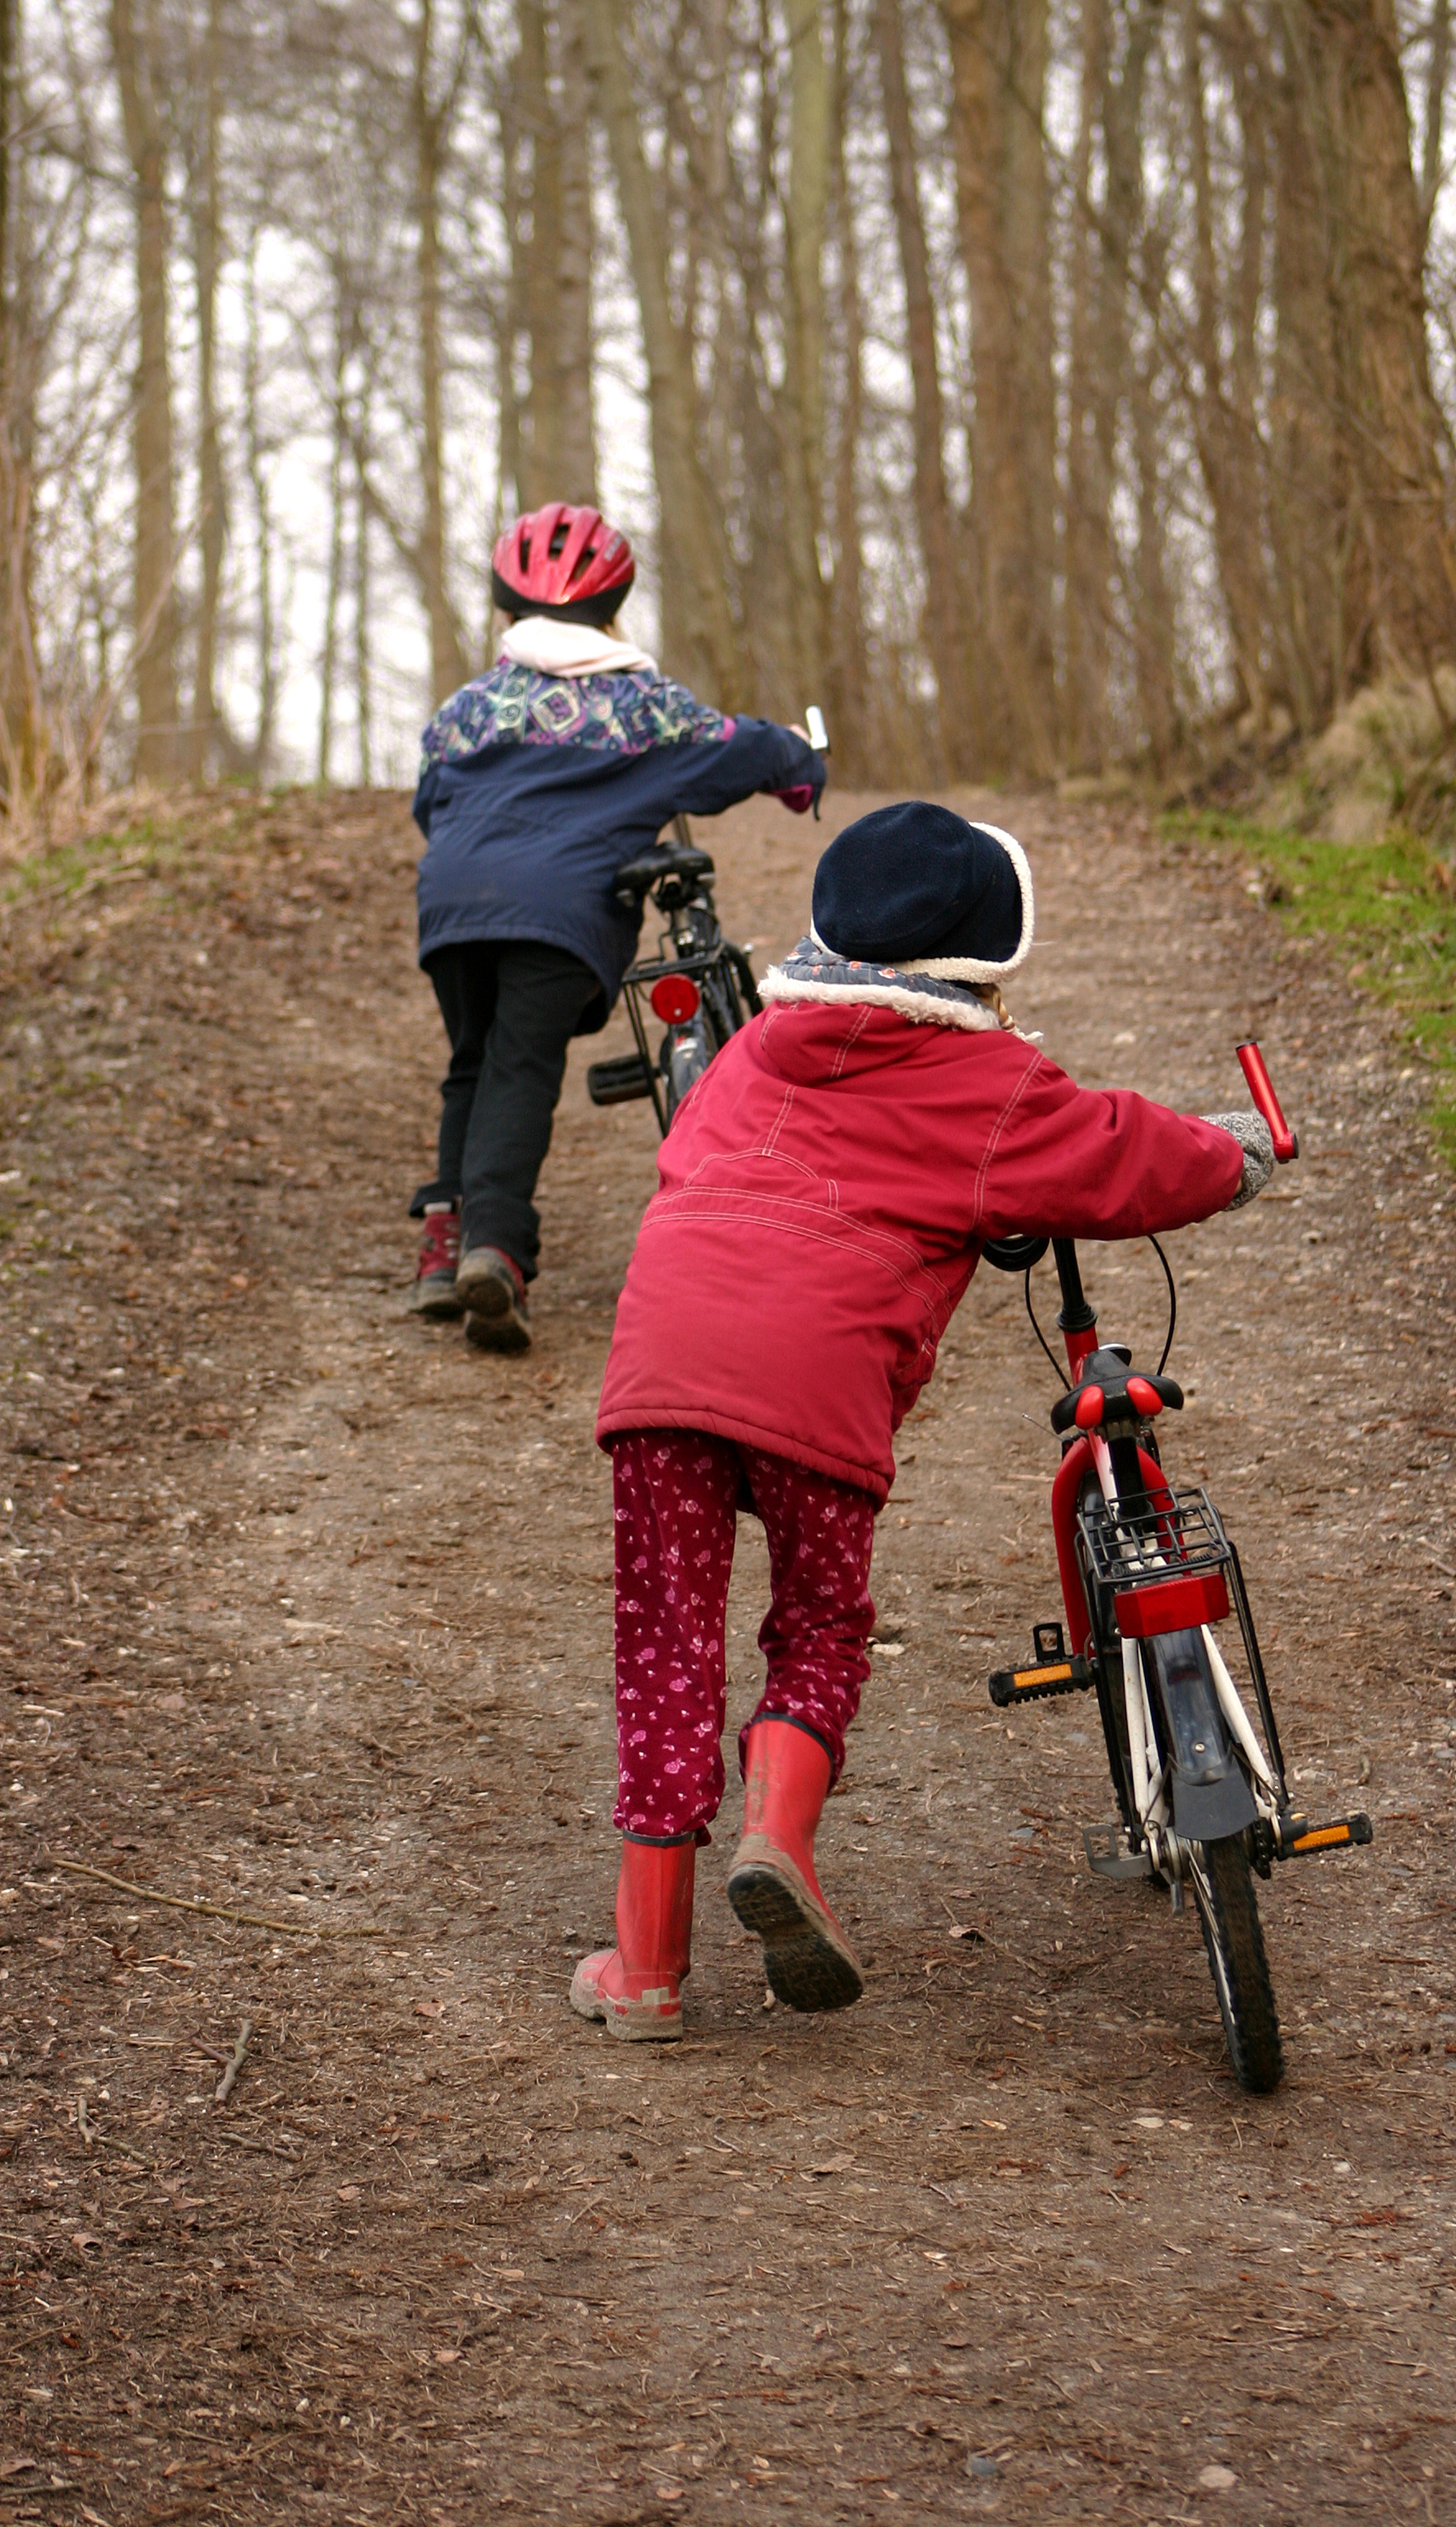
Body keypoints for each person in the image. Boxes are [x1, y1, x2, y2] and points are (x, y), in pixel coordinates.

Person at [569, 799, 1277, 2041]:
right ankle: (775, 1840)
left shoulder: (754, 1051)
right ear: (980, 961)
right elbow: (1119, 1152)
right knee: (822, 1626)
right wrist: (1240, 1156)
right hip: (815, 1385)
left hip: (663, 1361)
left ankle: (648, 1973)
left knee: (666, 1643)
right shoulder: (985, 1079)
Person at [408, 501, 828, 1352]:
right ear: (612, 609)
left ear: (505, 610)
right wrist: (799, 764)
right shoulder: (642, 707)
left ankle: (441, 1249)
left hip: (452, 903)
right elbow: (739, 747)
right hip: (558, 909)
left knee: (473, 1063)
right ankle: (495, 1251)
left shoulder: (466, 709)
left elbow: (429, 800)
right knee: (522, 1063)